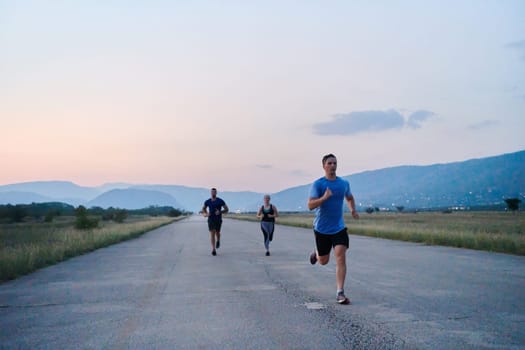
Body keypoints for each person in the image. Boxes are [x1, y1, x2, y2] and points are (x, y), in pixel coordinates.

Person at [308, 154, 359, 305]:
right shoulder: (318, 184)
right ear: (324, 166)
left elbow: (349, 198)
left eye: (335, 163)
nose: (332, 165)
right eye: (329, 163)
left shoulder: (343, 183)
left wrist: (353, 210)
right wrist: (324, 198)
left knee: (340, 256)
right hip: (321, 229)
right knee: (323, 261)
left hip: (339, 228)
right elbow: (310, 205)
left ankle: (340, 293)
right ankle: (317, 253)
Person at [202, 188, 229, 256]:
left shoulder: (220, 201)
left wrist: (220, 212)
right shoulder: (207, 201)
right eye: (212, 192)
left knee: (217, 232)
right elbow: (203, 209)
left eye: (214, 192)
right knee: (212, 233)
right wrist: (206, 213)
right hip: (211, 219)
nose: (213, 193)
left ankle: (218, 240)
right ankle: (213, 249)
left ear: (216, 193)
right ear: (210, 193)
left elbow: (227, 209)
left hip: (218, 219)